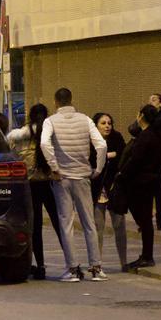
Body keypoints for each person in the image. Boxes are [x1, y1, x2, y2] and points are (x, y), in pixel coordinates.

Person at [40, 88, 108, 282]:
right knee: (89, 222)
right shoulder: (85, 119)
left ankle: (73, 270)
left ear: (56, 102)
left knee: (66, 223)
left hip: (62, 179)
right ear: (71, 100)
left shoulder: (50, 121)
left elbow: (45, 144)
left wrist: (54, 166)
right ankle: (96, 268)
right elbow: (101, 145)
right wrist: (98, 169)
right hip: (83, 176)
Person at [6, 103, 63, 280]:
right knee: (59, 223)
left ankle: (40, 266)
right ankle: (72, 262)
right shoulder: (49, 133)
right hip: (49, 184)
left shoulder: (21, 135)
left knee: (35, 227)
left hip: (30, 186)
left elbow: (9, 146)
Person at [118, 104, 161, 268]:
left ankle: (147, 256)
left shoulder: (146, 136)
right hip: (150, 180)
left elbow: (136, 160)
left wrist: (122, 174)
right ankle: (146, 254)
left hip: (141, 182)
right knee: (144, 220)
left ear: (141, 116)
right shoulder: (157, 135)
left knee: (144, 219)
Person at [129, 93, 161, 230]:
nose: (150, 102)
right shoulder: (145, 119)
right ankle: (145, 222)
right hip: (146, 159)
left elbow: (157, 126)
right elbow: (132, 130)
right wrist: (139, 120)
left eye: (154, 100)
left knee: (160, 191)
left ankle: (160, 221)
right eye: (149, 100)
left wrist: (145, 119)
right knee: (145, 192)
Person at [90, 112, 128, 271]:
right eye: (103, 123)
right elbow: (90, 160)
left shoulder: (117, 138)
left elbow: (124, 156)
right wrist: (107, 156)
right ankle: (97, 263)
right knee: (98, 227)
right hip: (98, 189)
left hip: (115, 188)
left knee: (119, 225)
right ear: (96, 125)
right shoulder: (90, 141)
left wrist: (110, 155)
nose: (107, 126)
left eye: (109, 123)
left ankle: (124, 262)